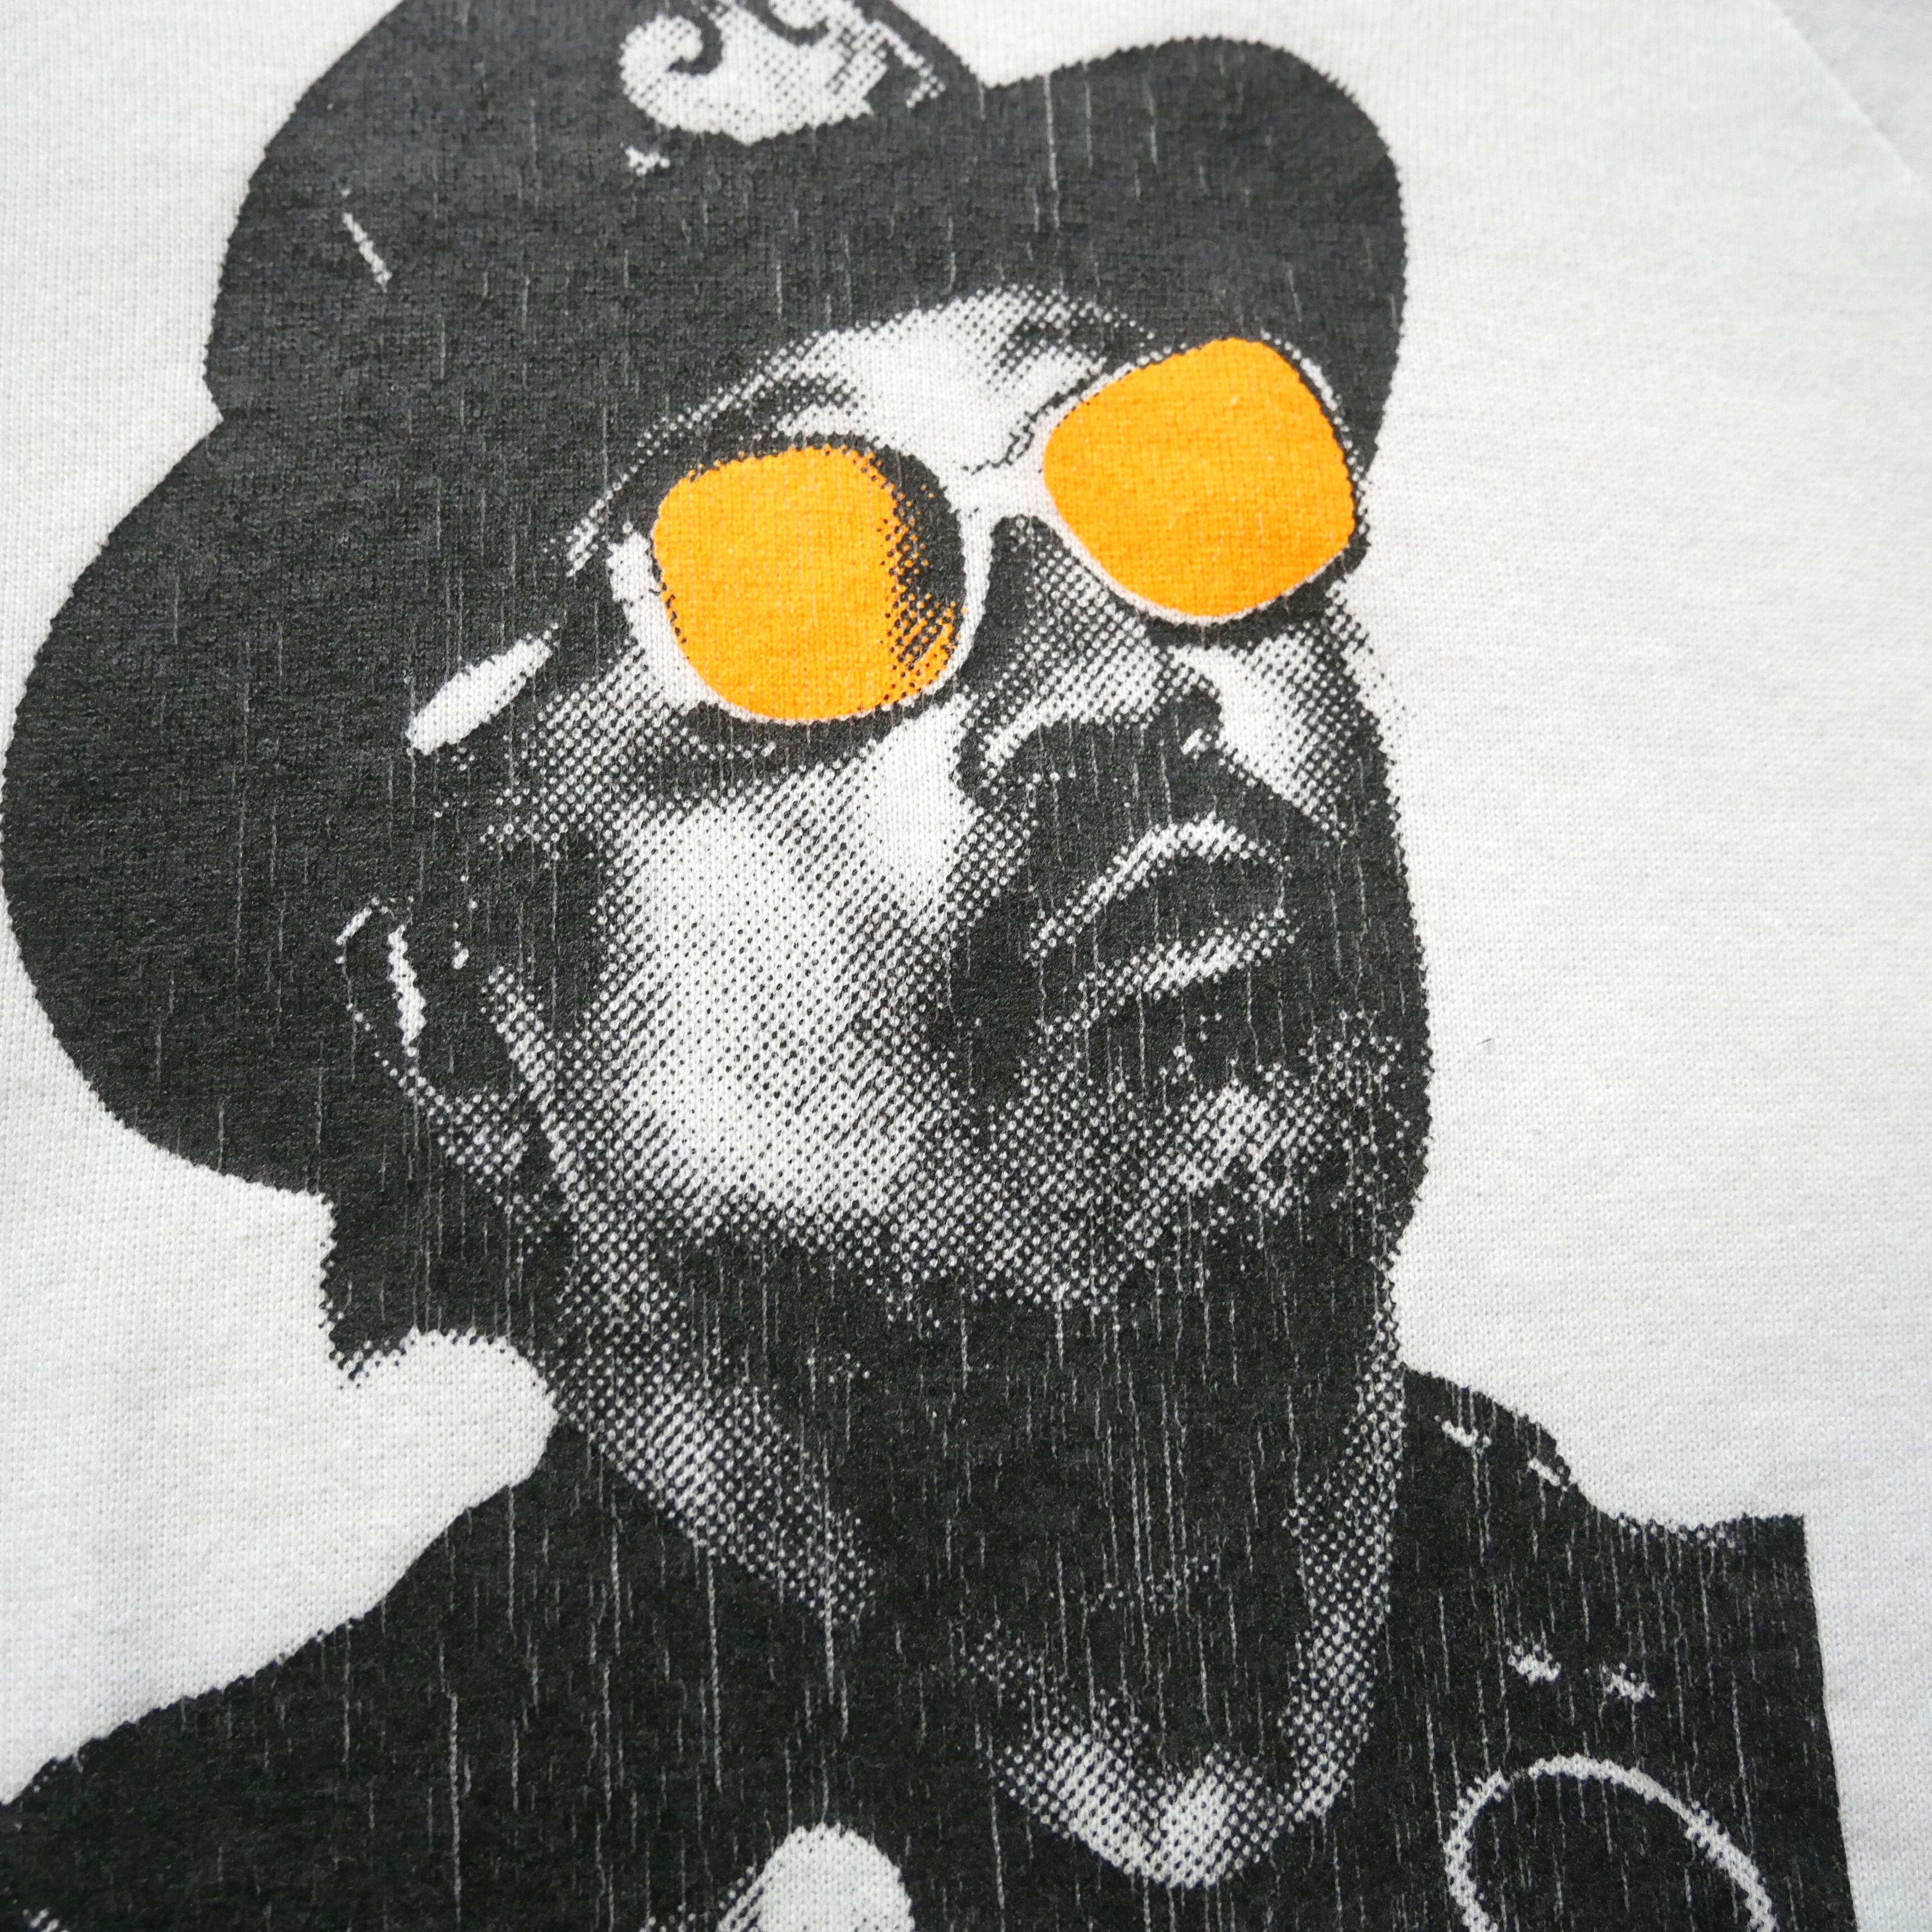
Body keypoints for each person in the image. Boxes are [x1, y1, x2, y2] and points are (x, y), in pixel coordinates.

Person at [0, 3, 1854, 1926]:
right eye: (796, 570)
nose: (1109, 676)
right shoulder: (222, 1884)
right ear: (453, 1018)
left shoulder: (1806, 1712)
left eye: (1178, 473)